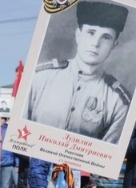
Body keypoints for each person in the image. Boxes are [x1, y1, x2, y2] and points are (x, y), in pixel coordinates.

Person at [26, 0, 130, 144]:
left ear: (114, 44)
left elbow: (107, 152)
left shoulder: (117, 101)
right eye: (91, 33)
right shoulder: (40, 77)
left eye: (106, 37)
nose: (96, 43)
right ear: (78, 35)